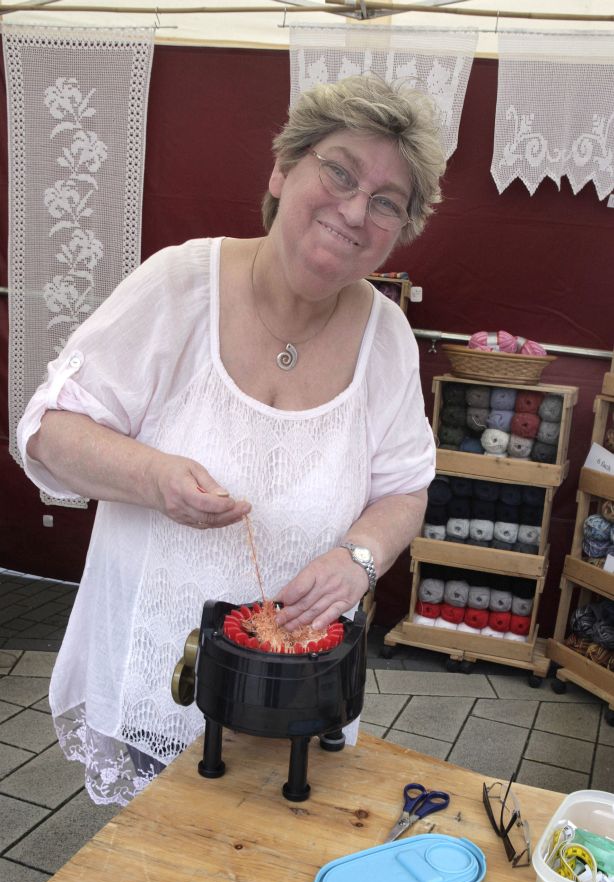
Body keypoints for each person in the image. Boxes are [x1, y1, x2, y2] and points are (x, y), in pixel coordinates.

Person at [17, 74, 446, 806]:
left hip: (300, 688)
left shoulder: (387, 338)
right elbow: (47, 432)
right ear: (283, 169)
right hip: (157, 683)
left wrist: (357, 559)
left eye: (386, 201)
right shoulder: (178, 284)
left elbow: (405, 487)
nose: (354, 210)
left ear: (399, 229)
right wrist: (154, 477)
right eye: (340, 173)